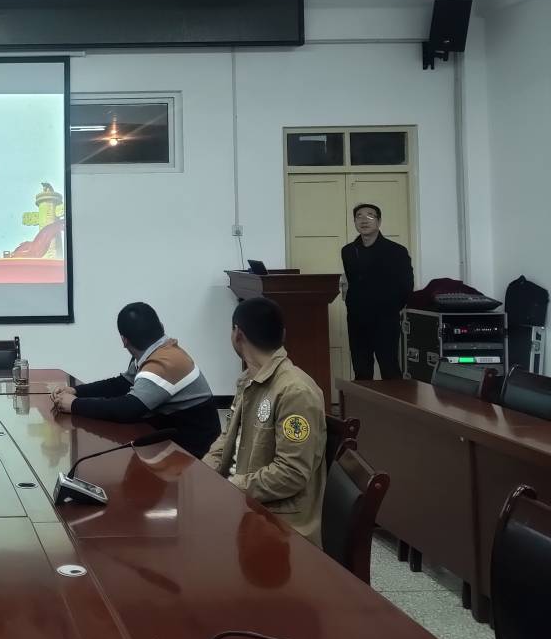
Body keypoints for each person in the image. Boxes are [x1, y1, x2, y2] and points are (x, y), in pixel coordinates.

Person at [204, 297, 327, 545]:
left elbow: (291, 473)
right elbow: (228, 437)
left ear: (237, 334)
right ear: (283, 334)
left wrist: (230, 486)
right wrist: (203, 472)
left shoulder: (295, 392)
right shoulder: (248, 380)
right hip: (243, 500)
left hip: (277, 521)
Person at [48, 302, 221, 458]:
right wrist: (75, 391)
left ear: (124, 340)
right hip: (170, 433)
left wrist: (74, 404)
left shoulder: (163, 363)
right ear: (161, 326)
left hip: (194, 448)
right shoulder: (155, 352)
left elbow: (127, 409)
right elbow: (122, 384)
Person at [341, 202, 413, 381]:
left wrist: (390, 307)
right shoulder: (348, 251)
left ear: (379, 222)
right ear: (354, 222)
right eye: (359, 216)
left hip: (385, 319)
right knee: (361, 370)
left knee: (389, 368)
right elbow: (351, 282)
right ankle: (363, 401)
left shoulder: (396, 251)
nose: (364, 220)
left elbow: (406, 286)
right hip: (357, 320)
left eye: (370, 216)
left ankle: (394, 401)